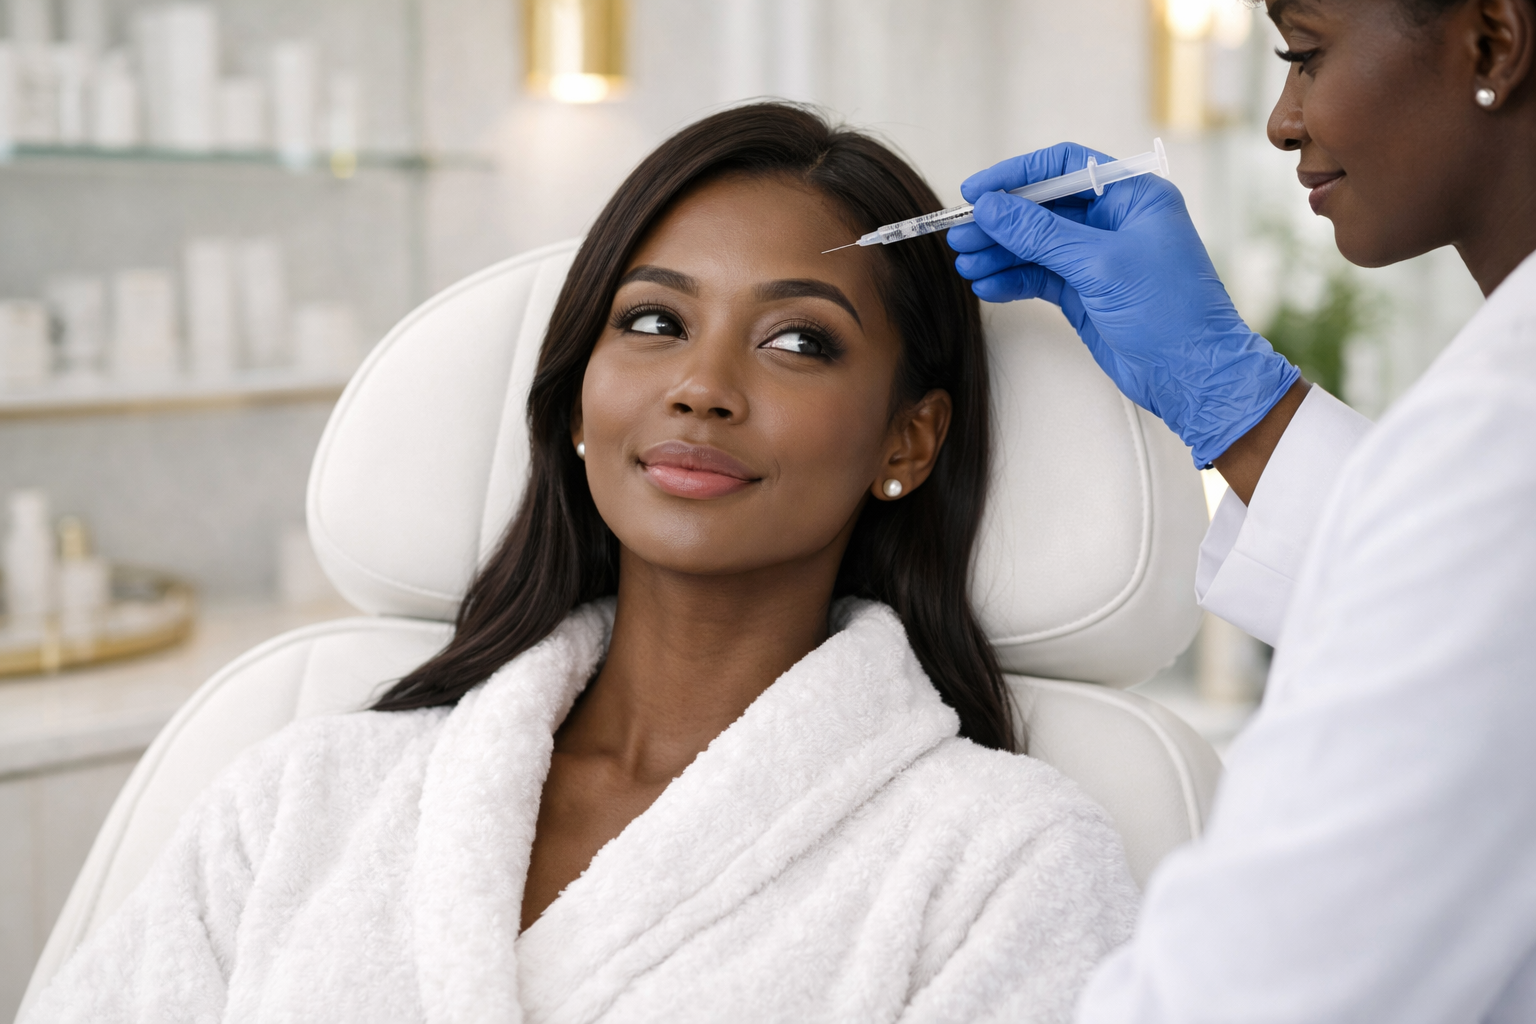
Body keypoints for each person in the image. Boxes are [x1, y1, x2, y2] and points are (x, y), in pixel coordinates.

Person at [26, 104, 1138, 1024]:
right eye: (653, 321)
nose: (700, 386)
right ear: (577, 398)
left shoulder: (1005, 864)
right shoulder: (298, 801)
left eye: (799, 340)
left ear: (909, 440)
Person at [948, 0, 1536, 1020]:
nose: (1280, 119)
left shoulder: (1497, 441)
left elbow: (1251, 993)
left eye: (1304, 55)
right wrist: (1240, 405)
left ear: (1492, 40)